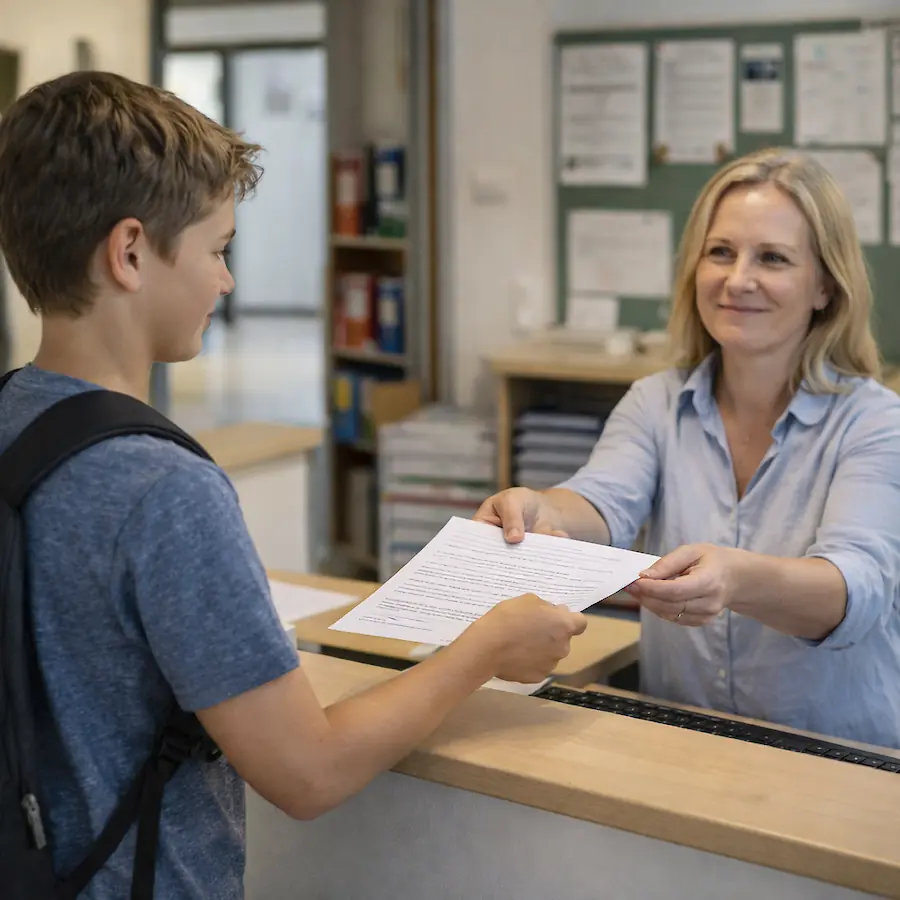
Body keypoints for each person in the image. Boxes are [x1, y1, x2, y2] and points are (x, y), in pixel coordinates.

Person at [0, 71, 586, 899]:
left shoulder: (12, 418)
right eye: (217, 250)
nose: (226, 281)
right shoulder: (165, 492)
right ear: (130, 252)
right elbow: (309, 772)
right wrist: (488, 646)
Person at [476, 147, 900, 750]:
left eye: (773, 258)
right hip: (683, 743)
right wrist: (542, 511)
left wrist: (738, 578)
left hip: (837, 758)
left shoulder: (875, 422)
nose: (738, 279)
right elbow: (602, 502)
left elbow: (854, 592)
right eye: (720, 252)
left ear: (825, 286)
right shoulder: (656, 401)